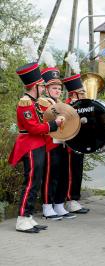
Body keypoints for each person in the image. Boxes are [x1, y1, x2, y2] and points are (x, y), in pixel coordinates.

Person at [9, 62, 63, 233]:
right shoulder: (25, 103)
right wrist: (53, 124)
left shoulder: (34, 102)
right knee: (31, 182)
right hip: (30, 145)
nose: (43, 88)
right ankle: (22, 219)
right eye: (41, 85)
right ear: (35, 86)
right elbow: (32, 127)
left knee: (36, 182)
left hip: (37, 144)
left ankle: (29, 216)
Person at [40, 65, 76, 220]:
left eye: (59, 88)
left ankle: (59, 204)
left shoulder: (60, 103)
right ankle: (47, 206)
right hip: (50, 144)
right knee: (50, 175)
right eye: (54, 88)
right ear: (47, 89)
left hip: (62, 143)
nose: (58, 91)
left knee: (63, 175)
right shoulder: (43, 102)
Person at [63, 73, 90, 214]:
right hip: (70, 144)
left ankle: (75, 199)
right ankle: (70, 199)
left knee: (77, 171)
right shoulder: (67, 107)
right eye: (82, 92)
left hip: (80, 142)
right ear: (74, 94)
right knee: (71, 172)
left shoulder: (82, 105)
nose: (84, 94)